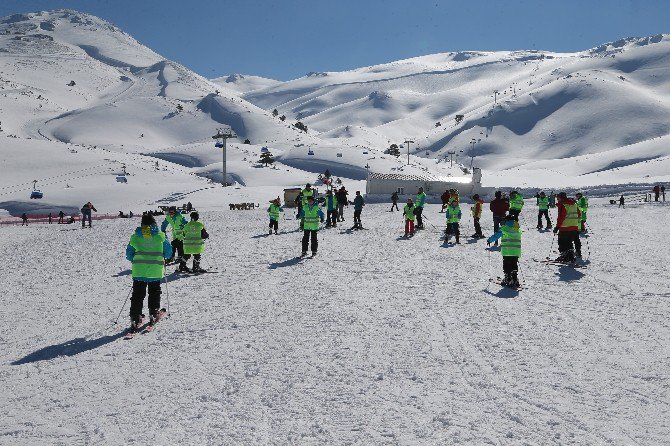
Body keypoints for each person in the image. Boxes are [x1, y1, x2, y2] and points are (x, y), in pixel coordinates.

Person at [125, 213, 172, 333]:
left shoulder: (136, 236)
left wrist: (138, 260)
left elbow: (129, 254)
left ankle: (135, 317)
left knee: (137, 295)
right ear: (154, 223)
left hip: (139, 270)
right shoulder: (160, 236)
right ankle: (153, 313)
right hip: (155, 270)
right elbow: (168, 253)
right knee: (154, 292)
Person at [487, 215, 522, 288]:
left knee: (507, 264)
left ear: (507, 221)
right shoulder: (518, 229)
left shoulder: (504, 228)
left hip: (507, 251)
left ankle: (508, 278)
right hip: (516, 251)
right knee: (514, 264)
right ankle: (515, 279)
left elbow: (497, 235)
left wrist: (489, 240)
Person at [554, 192, 582, 263]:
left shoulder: (563, 205)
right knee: (569, 242)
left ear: (561, 198)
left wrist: (557, 227)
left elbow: (561, 217)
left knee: (562, 242)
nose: (557, 199)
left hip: (565, 227)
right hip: (574, 226)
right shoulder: (574, 204)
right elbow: (579, 214)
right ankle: (570, 257)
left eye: (558, 198)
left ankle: (565, 256)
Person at [161, 206, 188, 272]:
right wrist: (163, 230)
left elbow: (186, 223)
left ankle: (180, 257)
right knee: (173, 244)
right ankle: (171, 257)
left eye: (172, 212)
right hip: (175, 234)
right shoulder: (168, 217)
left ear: (175, 212)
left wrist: (184, 227)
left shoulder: (180, 216)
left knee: (180, 244)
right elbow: (164, 224)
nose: (171, 214)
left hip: (181, 233)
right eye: (170, 212)